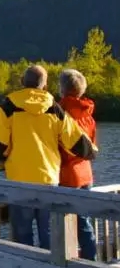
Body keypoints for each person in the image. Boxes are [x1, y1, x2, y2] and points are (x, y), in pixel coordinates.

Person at [0, 65, 98, 250]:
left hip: (19, 180)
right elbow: (80, 145)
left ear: (23, 83)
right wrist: (92, 151)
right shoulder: (55, 110)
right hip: (49, 180)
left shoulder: (7, 107)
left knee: (23, 237)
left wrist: (9, 154)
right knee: (49, 236)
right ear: (45, 86)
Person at [58, 69, 98, 261]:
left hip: (68, 174)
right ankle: (90, 258)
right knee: (84, 219)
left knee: (66, 222)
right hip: (86, 173)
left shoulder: (61, 112)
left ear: (62, 89)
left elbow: (57, 145)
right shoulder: (88, 114)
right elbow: (91, 146)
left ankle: (78, 261)